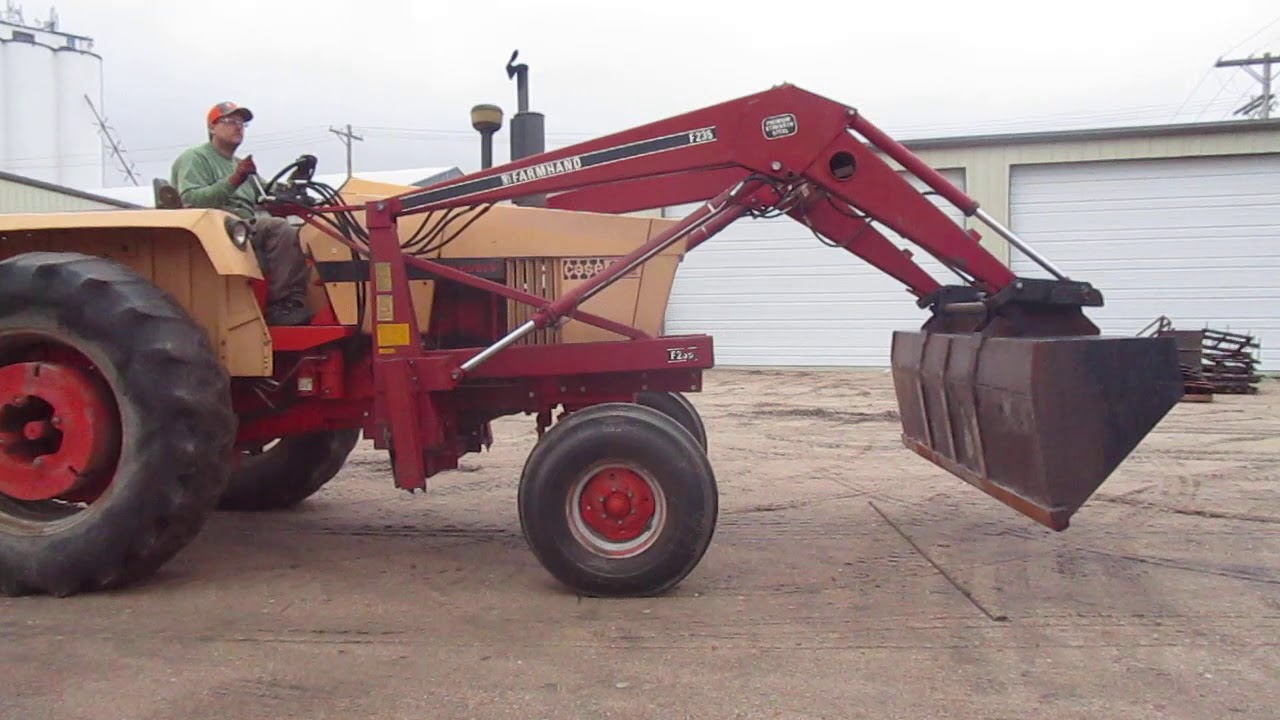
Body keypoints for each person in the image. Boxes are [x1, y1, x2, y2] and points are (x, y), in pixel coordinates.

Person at [170, 101, 313, 325]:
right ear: (212, 127)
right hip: (217, 228)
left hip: (243, 227)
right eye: (230, 121)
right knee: (278, 229)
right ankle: (283, 305)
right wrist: (235, 179)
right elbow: (192, 199)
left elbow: (268, 193)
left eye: (242, 123)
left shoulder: (240, 165)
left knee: (305, 233)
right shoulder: (196, 158)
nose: (238, 127)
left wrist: (295, 189)